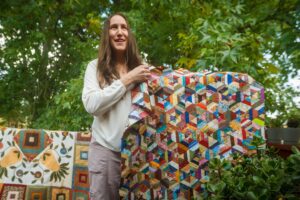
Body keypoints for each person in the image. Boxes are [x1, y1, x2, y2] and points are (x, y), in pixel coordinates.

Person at [82, 13, 150, 200]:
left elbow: (167, 91)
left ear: (129, 34)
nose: (120, 32)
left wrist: (180, 79)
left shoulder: (143, 70)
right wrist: (128, 79)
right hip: (106, 151)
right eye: (114, 27)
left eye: (124, 28)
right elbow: (92, 105)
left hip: (139, 154)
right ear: (107, 34)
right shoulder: (94, 68)